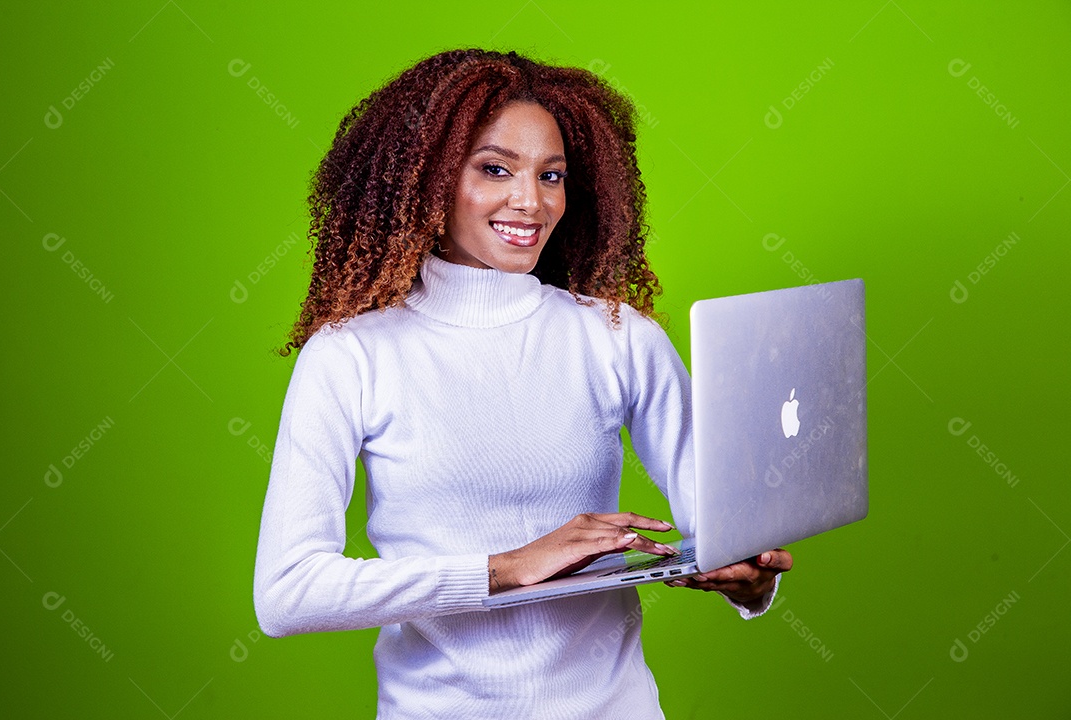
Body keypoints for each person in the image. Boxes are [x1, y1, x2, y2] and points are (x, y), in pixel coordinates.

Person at [253, 47, 792, 719]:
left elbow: (718, 526)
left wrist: (744, 578)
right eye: (494, 169)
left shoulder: (619, 338)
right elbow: (287, 593)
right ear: (427, 178)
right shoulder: (351, 357)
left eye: (552, 175)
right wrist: (507, 568)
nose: (530, 201)